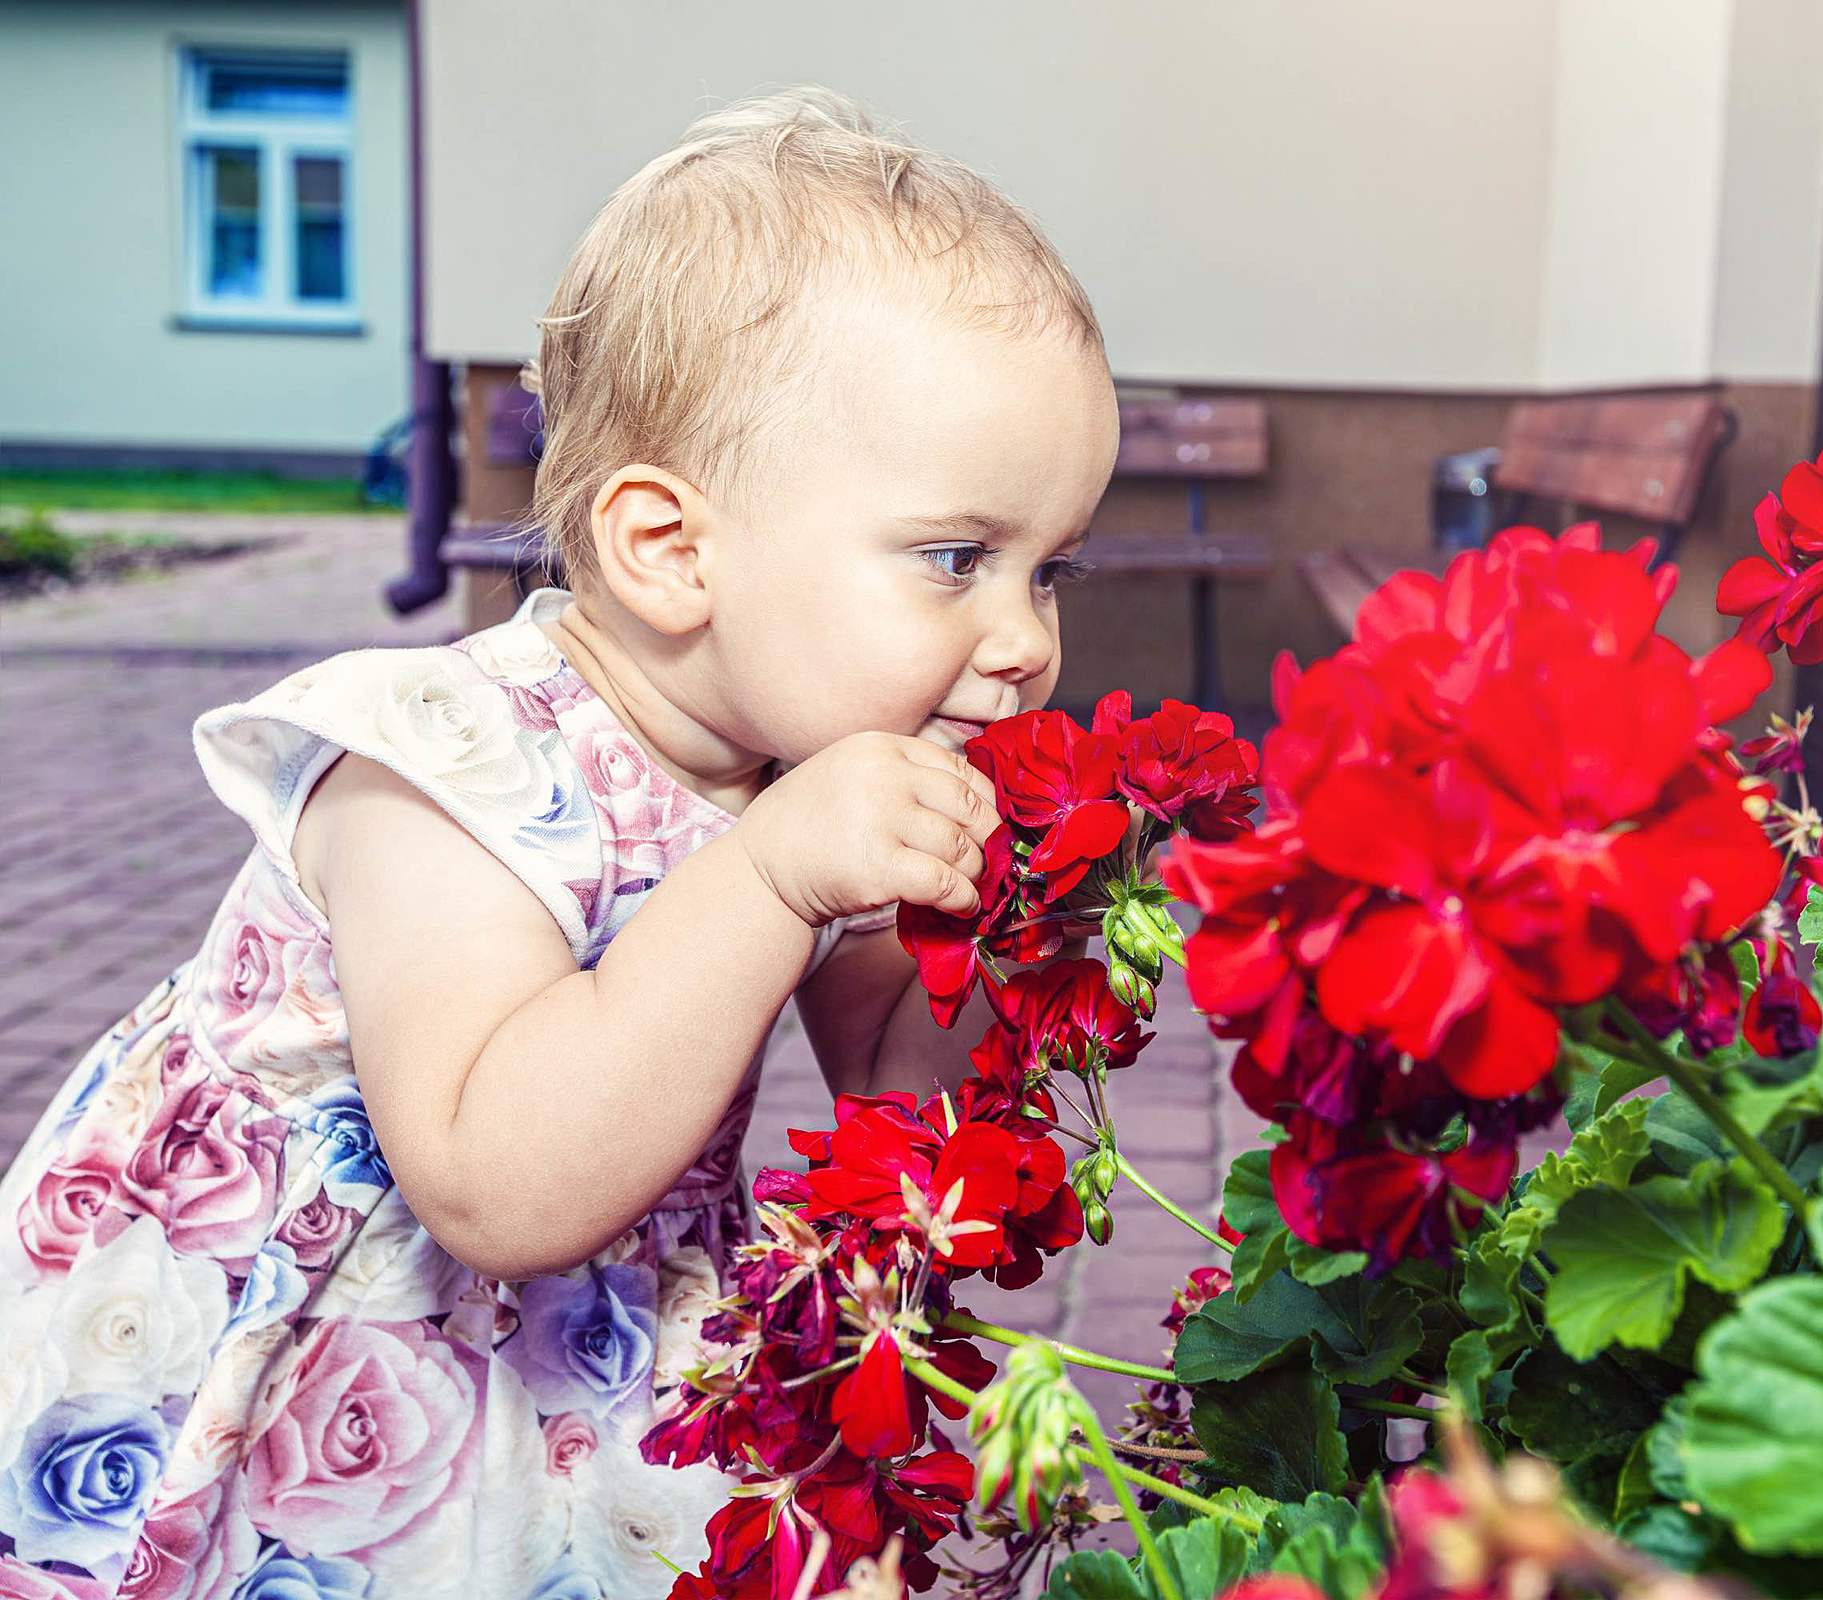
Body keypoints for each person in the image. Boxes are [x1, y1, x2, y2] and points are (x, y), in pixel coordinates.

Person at [0, 85, 1117, 1597]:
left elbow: (896, 1085)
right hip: (317, 1356)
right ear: (670, 550)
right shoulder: (440, 768)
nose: (1021, 642)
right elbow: (496, 1187)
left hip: (563, 1363)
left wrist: (1017, 936)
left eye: (1047, 571)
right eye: (956, 558)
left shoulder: (802, 766)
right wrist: (778, 872)